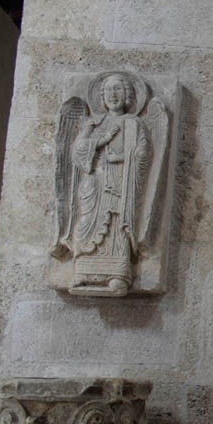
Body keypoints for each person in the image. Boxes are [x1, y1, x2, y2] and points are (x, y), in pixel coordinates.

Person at [69, 73, 151, 295]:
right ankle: (82, 271)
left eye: (118, 90)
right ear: (102, 97)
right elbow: (78, 150)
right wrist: (101, 141)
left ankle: (117, 275)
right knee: (87, 222)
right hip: (95, 182)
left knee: (118, 224)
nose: (113, 95)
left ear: (127, 95)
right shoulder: (94, 122)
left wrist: (126, 157)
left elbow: (143, 153)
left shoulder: (134, 124)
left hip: (121, 182)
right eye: (108, 90)